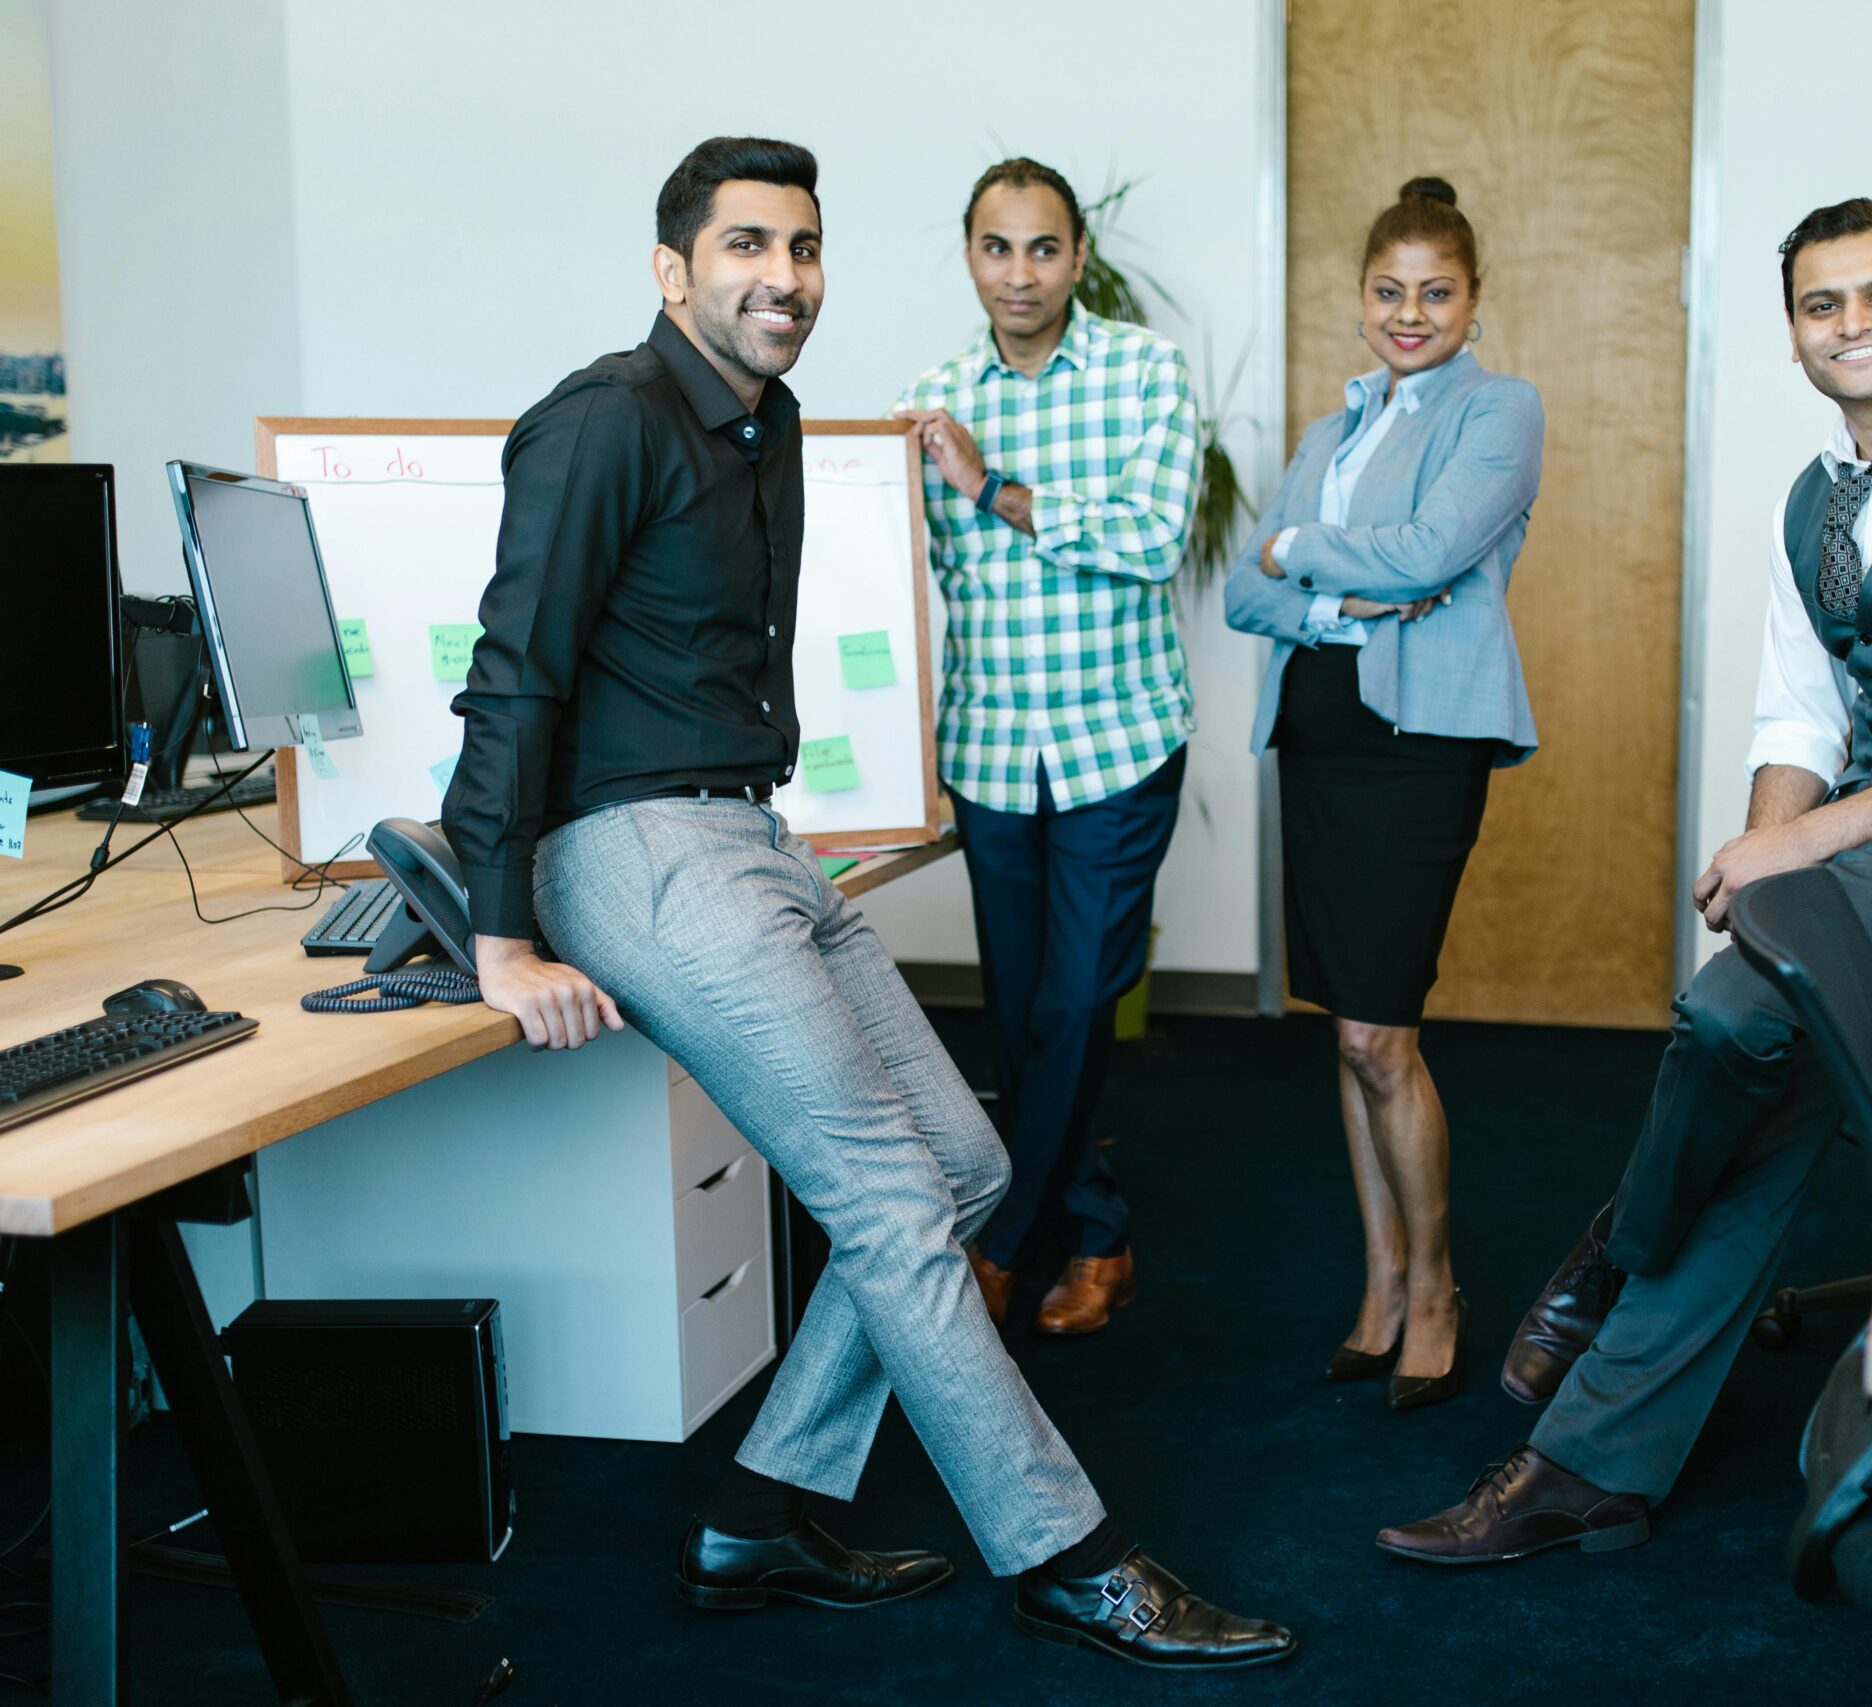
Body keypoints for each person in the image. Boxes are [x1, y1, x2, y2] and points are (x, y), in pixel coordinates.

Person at [443, 135, 1292, 1670]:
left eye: (804, 247)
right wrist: (501, 934)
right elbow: (515, 675)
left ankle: (758, 1513)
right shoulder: (603, 419)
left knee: (964, 1167)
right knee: (896, 1201)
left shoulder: (764, 425)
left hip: (749, 832)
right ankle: (1070, 1554)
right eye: (747, 245)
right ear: (672, 269)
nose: (784, 277)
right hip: (637, 849)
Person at [1379, 197, 1872, 1558]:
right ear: (1793, 334)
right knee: (1772, 1076)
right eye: (1820, 304)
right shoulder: (1816, 497)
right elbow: (1799, 716)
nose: (1854, 324)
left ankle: (1616, 1248)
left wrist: (1800, 851)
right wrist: (1762, 862)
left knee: (1734, 1011)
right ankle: (1588, 1467)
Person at [1225, 177, 1544, 1411]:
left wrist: (1298, 553)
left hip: (1415, 751)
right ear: (1361, 298)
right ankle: (1381, 1282)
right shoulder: (1332, 429)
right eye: (1388, 291)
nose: (1409, 314)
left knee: (1380, 1032)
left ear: (1472, 301)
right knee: (1348, 1031)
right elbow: (1241, 593)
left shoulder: (1497, 410)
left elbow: (1428, 555)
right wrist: (1332, 600)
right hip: (1317, 742)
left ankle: (1438, 1287)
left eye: (1435, 292)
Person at [891, 158, 1200, 1339]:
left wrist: (992, 486)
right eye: (995, 247)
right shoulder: (928, 399)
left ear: (1078, 256)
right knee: (1021, 1010)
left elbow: (1152, 540)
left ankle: (1005, 1242)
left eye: (1041, 247)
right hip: (989, 750)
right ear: (970, 255)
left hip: (1117, 741)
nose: (1018, 273)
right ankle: (1100, 1234)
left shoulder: (1144, 373)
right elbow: (912, 577)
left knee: (1074, 1003)